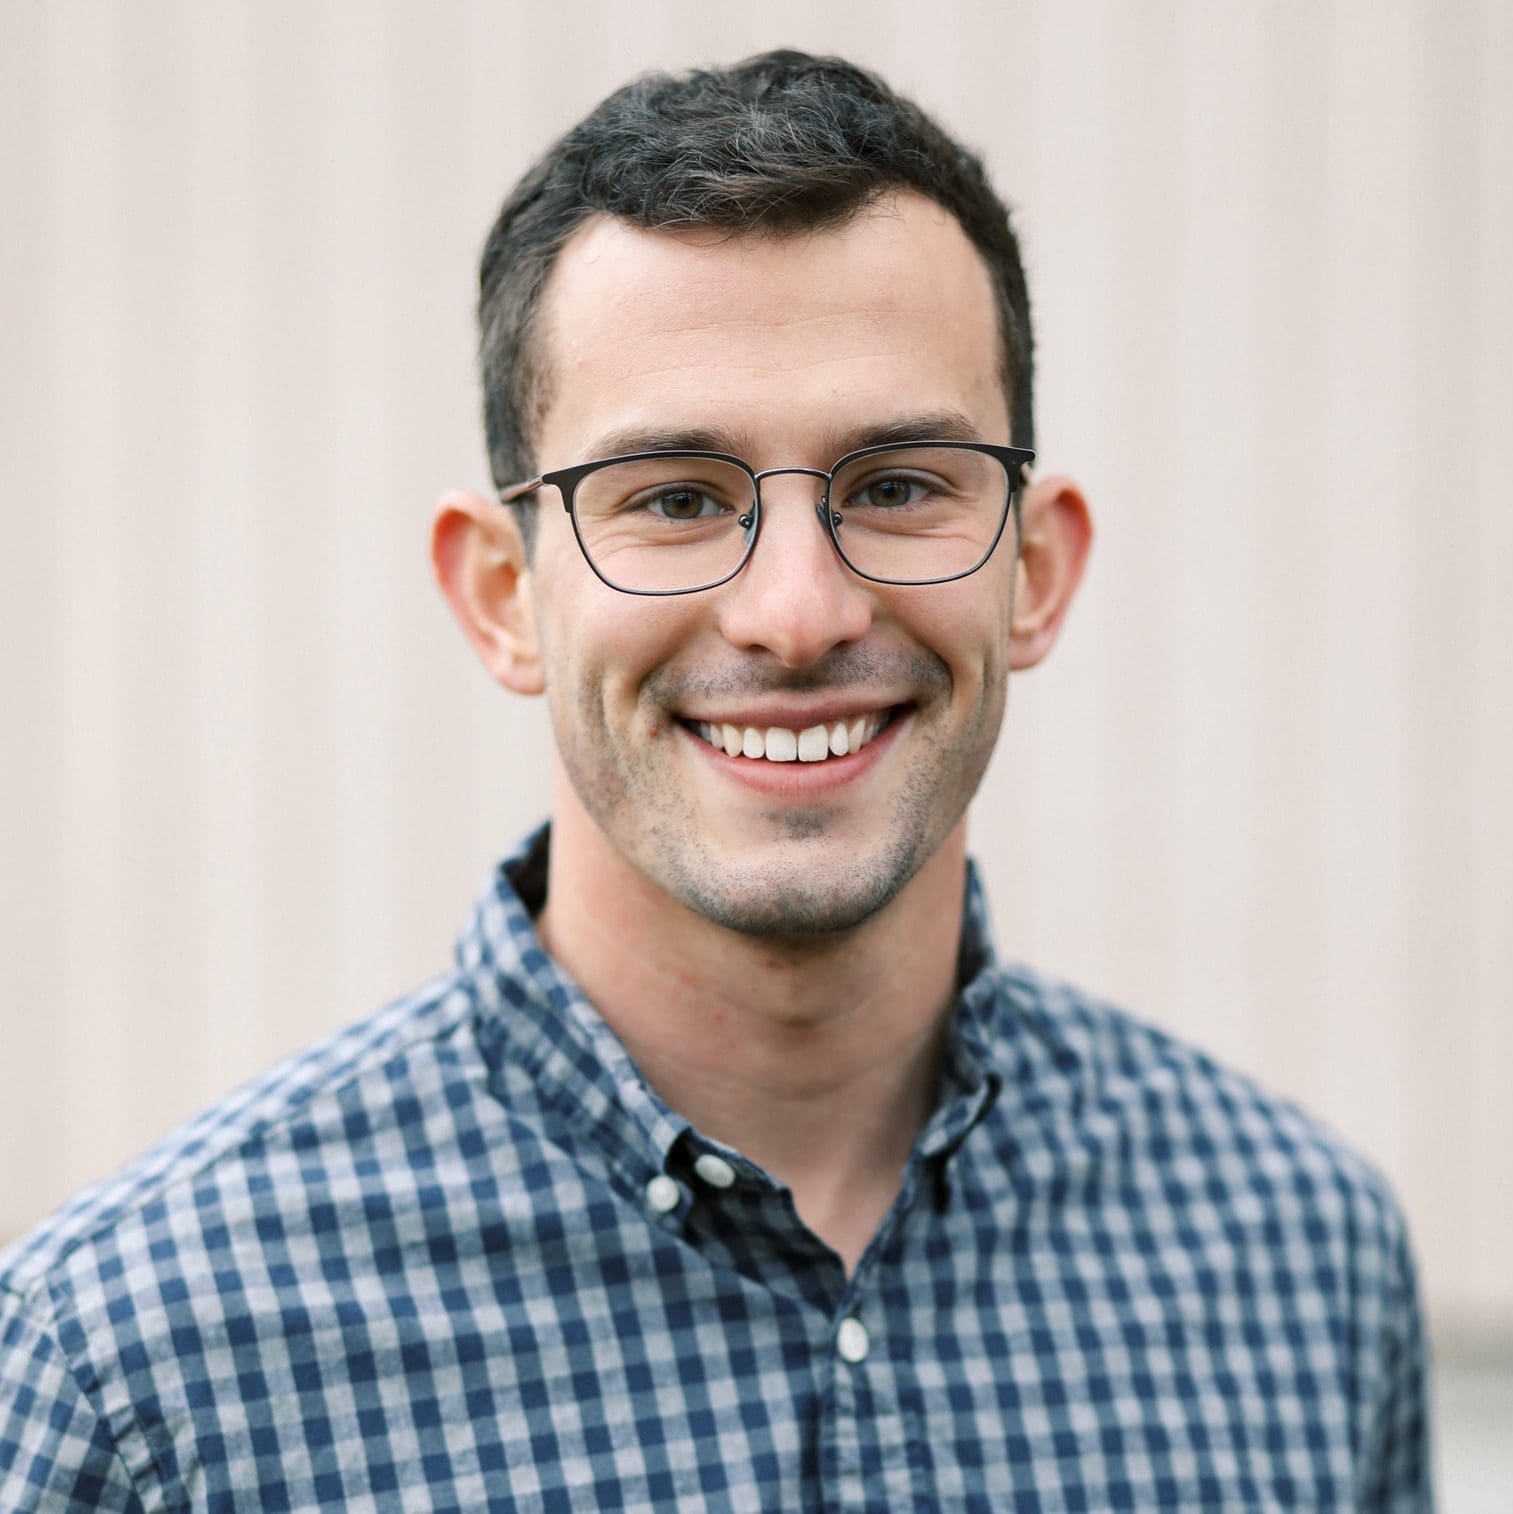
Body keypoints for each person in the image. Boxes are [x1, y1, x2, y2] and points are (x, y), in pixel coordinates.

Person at [0, 50, 1429, 1512]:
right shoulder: (139, 1366)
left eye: (896, 484)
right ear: (502, 592)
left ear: (1035, 570)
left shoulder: (1299, 1261)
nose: (797, 612)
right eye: (675, 499)